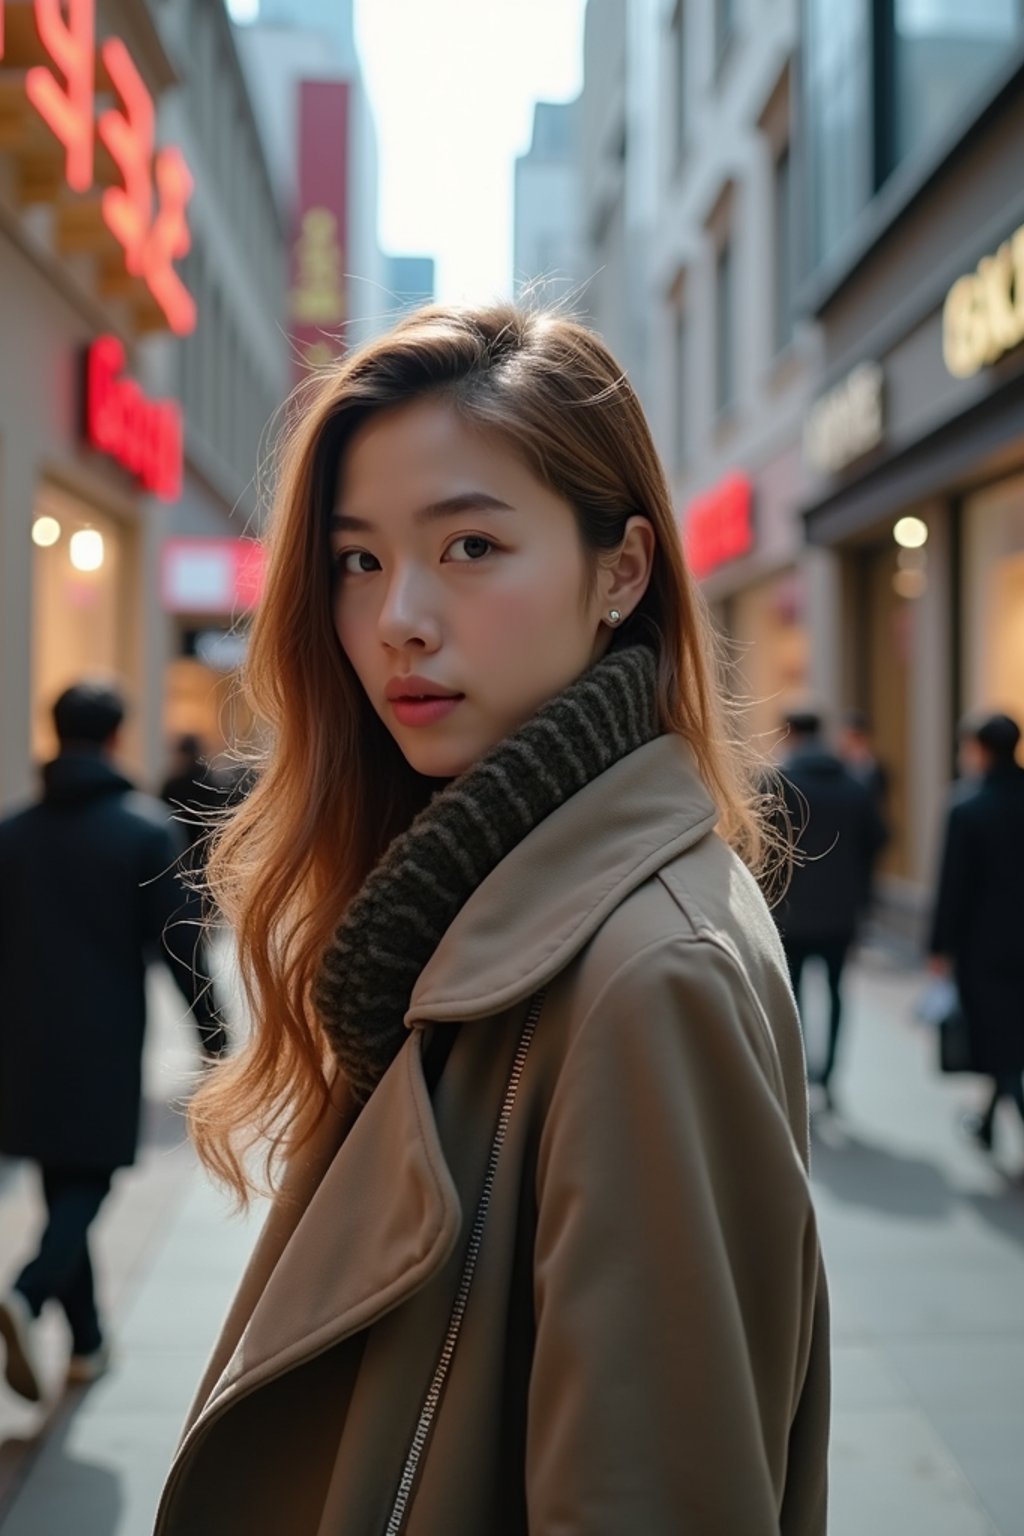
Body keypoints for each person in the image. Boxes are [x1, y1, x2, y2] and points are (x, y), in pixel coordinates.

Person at [154, 304, 830, 1535]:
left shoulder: (643, 978)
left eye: (468, 545)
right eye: (356, 559)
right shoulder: (445, 906)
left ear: (619, 572)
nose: (398, 615)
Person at [0, 681, 216, 1402]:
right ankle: (28, 1293)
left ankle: (87, 1345)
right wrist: (215, 1035)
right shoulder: (143, 830)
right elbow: (180, 944)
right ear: (119, 738)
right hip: (104, 1034)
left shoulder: (15, 833)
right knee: (89, 1178)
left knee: (63, 1177)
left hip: (22, 1038)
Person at [776, 709, 887, 1110]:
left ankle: (800, 1073)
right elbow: (877, 840)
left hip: (791, 913)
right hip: (842, 912)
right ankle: (831, 1077)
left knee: (795, 996)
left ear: (789, 734)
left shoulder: (779, 782)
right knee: (838, 992)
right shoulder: (854, 786)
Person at [929, 710, 1024, 1153]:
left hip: (984, 945)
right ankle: (986, 1123)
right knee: (1009, 1033)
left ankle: (999, 1121)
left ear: (980, 749)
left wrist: (939, 946)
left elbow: (953, 885)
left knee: (999, 1038)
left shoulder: (968, 807)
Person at [160, 733, 232, 1060]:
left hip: (177, 875)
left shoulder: (171, 786)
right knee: (197, 958)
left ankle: (214, 1037)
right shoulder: (216, 783)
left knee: (192, 959)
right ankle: (215, 1037)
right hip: (208, 874)